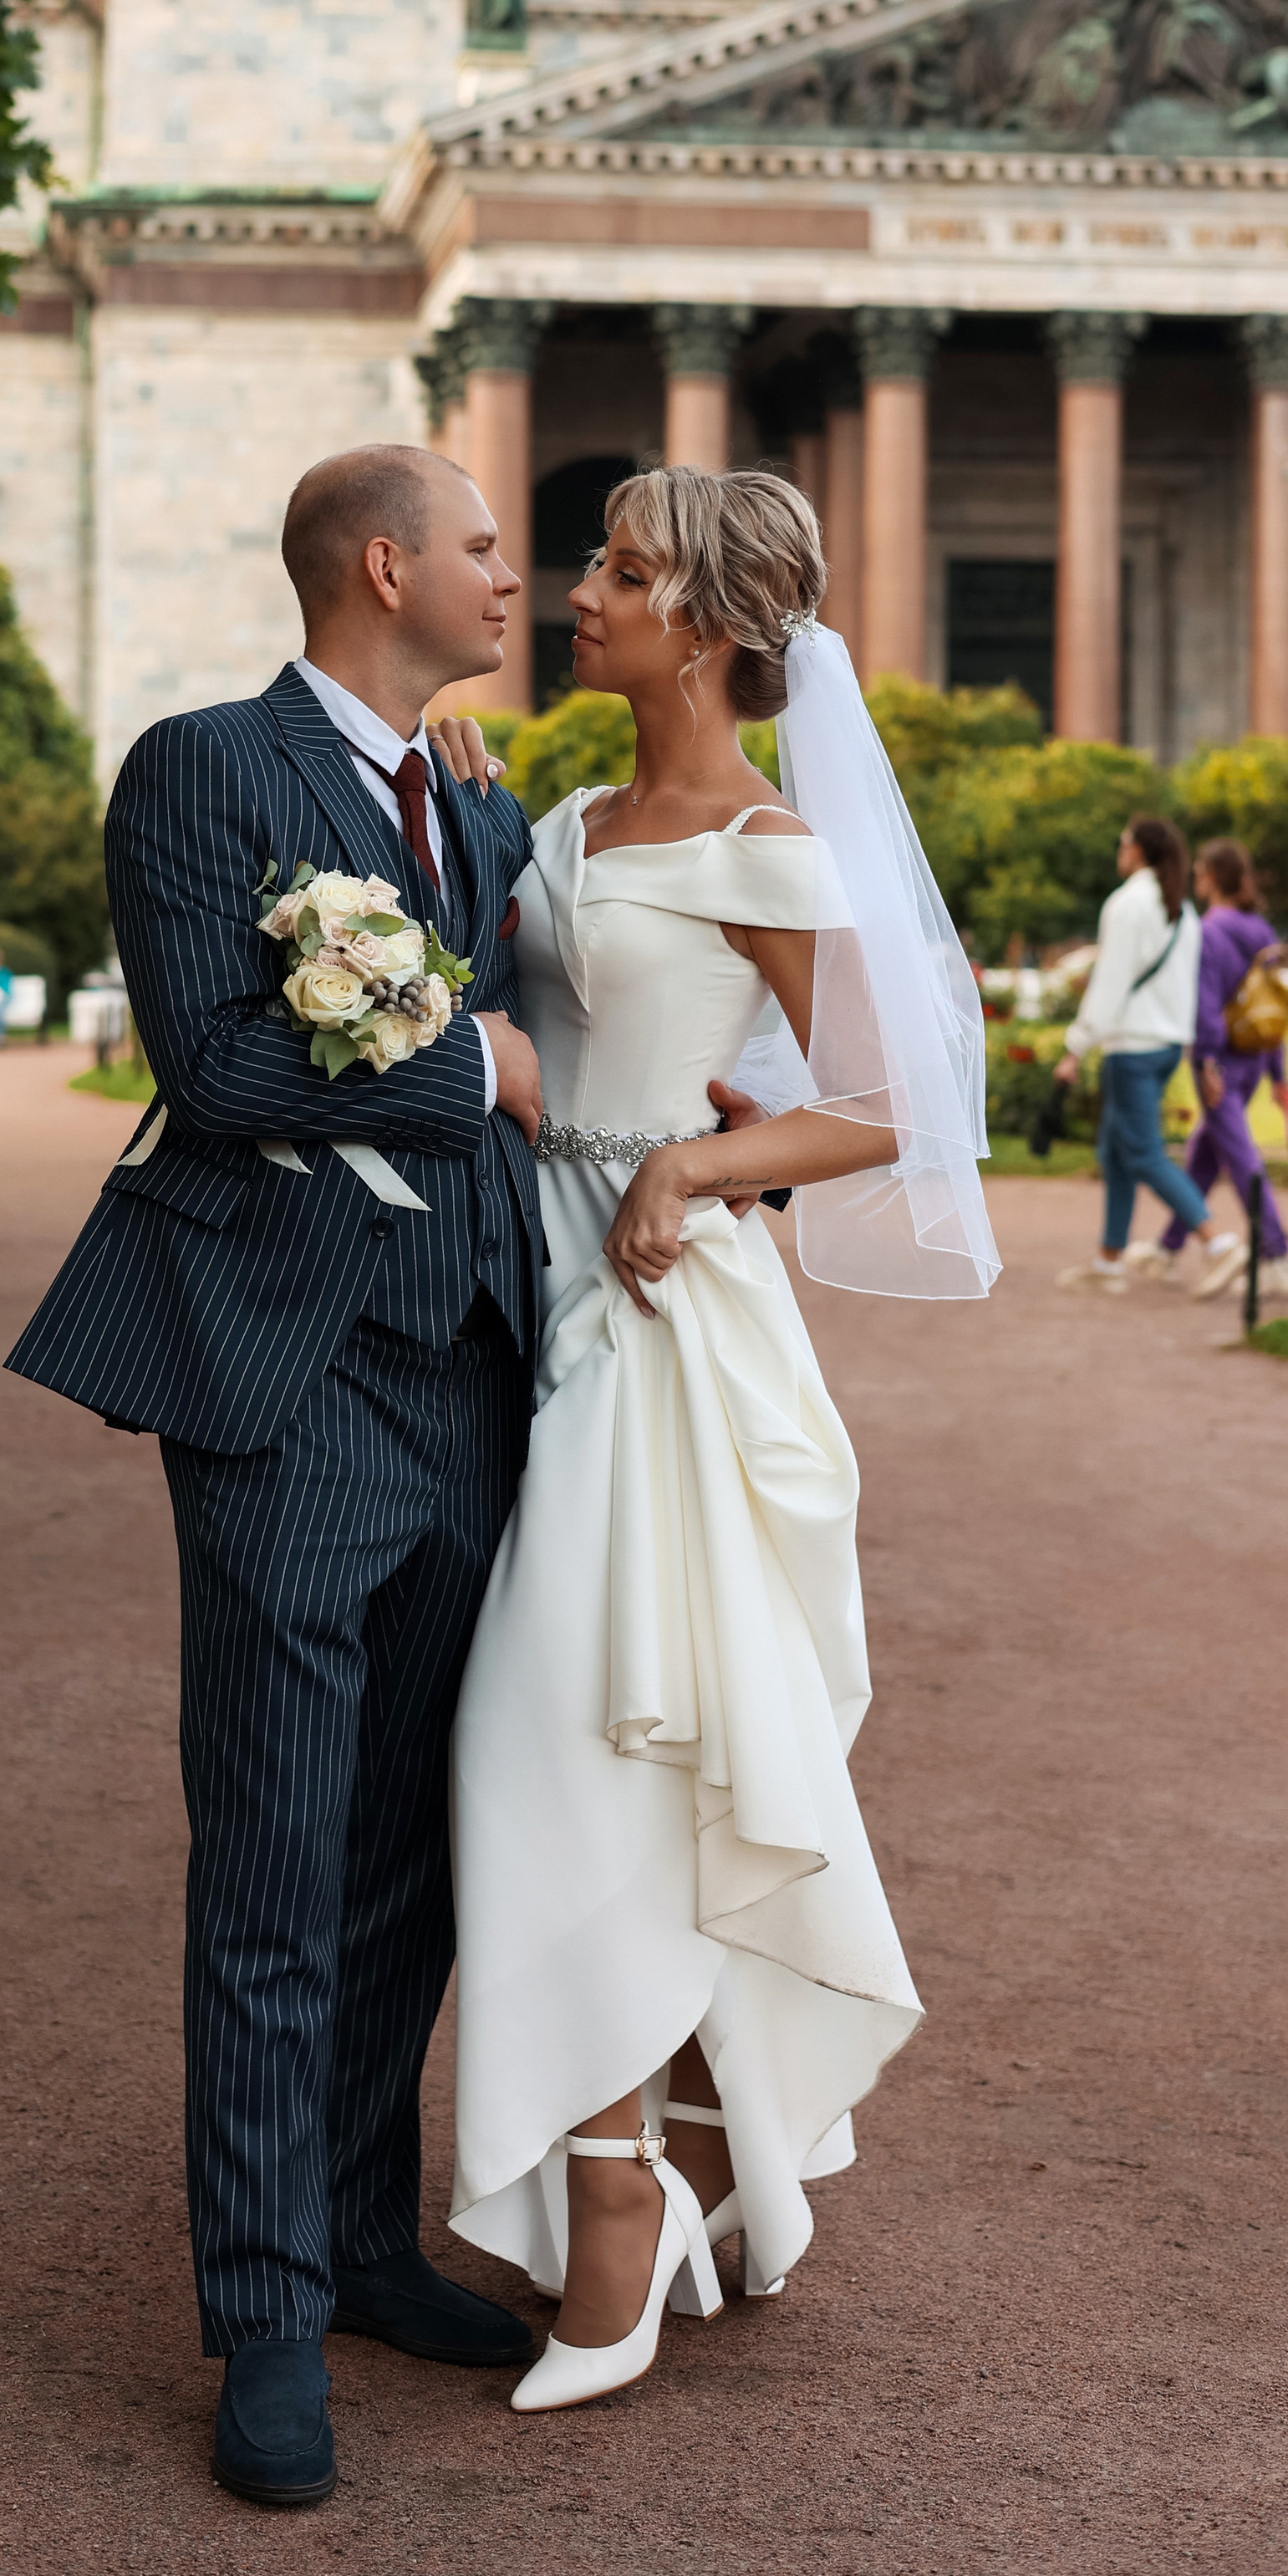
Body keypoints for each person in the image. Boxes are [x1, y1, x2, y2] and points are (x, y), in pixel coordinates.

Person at [9, 443, 662, 2507]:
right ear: (386, 563)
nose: (514, 575)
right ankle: (268, 2309)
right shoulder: (197, 771)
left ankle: (366, 2234)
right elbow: (213, 1060)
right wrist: (471, 1056)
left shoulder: (463, 799)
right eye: (486, 546)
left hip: (470, 1373)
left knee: (408, 1856)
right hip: (283, 1379)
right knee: (277, 1863)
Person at [430, 467, 995, 2414]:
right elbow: (520, 1018)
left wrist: (693, 1155)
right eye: (590, 560)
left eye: (622, 569)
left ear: (719, 626)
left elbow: (887, 1102)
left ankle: (616, 2211)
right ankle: (697, 2159)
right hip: (534, 1309)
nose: (583, 590)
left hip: (668, 1337)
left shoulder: (771, 845)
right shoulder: (563, 822)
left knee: (567, 1739)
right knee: (608, 1744)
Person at [1050, 819, 1240, 1296]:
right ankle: (1109, 1261)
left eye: (1123, 842)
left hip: (1131, 1046)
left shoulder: (1128, 904)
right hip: (1165, 1046)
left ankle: (1218, 1243)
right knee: (1115, 1155)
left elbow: (1109, 981)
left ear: (1137, 851)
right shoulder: (1181, 910)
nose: (1120, 849)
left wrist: (1077, 1044)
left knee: (1143, 1154)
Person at [1144, 838, 1288, 1300]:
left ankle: (1278, 1257)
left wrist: (1205, 1062)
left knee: (1241, 1159)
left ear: (1212, 877)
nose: (1196, 880)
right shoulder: (1262, 931)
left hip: (1222, 1066)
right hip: (1255, 1061)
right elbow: (1273, 1008)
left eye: (1199, 872)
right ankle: (1168, 1248)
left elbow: (1206, 1004)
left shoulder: (1209, 932)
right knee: (1206, 1155)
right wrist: (1278, 1074)